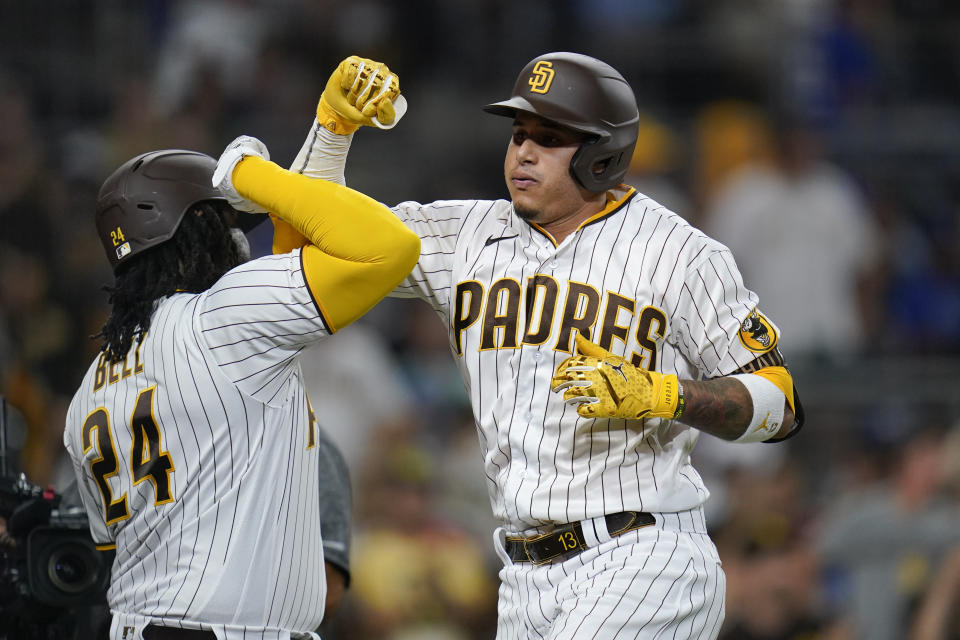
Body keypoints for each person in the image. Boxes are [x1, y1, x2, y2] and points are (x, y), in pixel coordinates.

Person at [274, 52, 804, 639]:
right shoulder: (466, 235)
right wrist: (332, 132)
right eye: (519, 133)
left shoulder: (678, 254)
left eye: (548, 138)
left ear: (602, 155)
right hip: (522, 577)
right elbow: (308, 253)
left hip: (641, 556)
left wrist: (663, 393)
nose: (523, 151)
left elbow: (780, 404)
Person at [61, 64, 419, 640]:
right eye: (226, 217)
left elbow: (289, 260)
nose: (239, 236)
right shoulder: (221, 319)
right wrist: (248, 175)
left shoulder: (92, 383)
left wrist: (330, 136)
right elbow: (388, 247)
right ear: (198, 228)